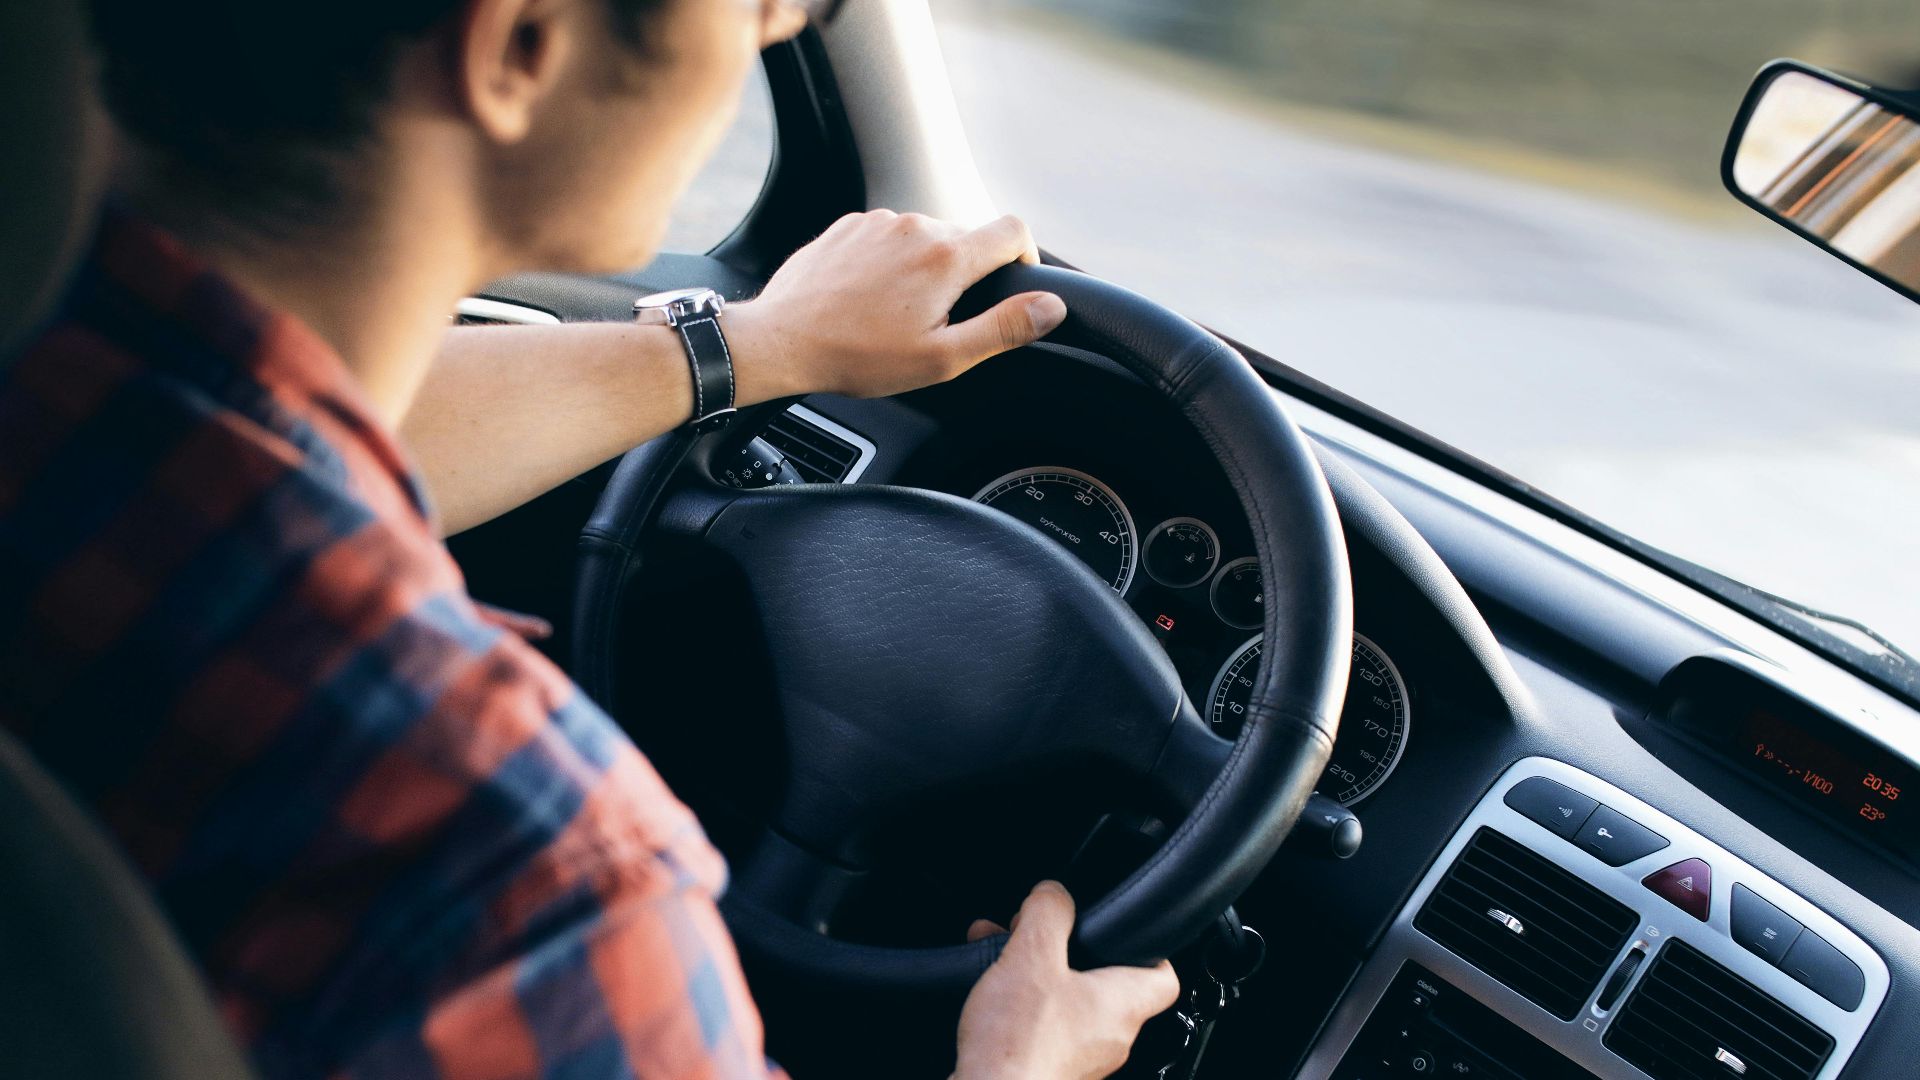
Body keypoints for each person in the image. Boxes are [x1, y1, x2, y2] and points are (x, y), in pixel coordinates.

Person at [0, 0, 1179, 1077]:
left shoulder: (60, 387)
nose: (780, 25)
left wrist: (760, 345)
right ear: (519, 45)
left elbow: (297, 424)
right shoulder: (528, 888)